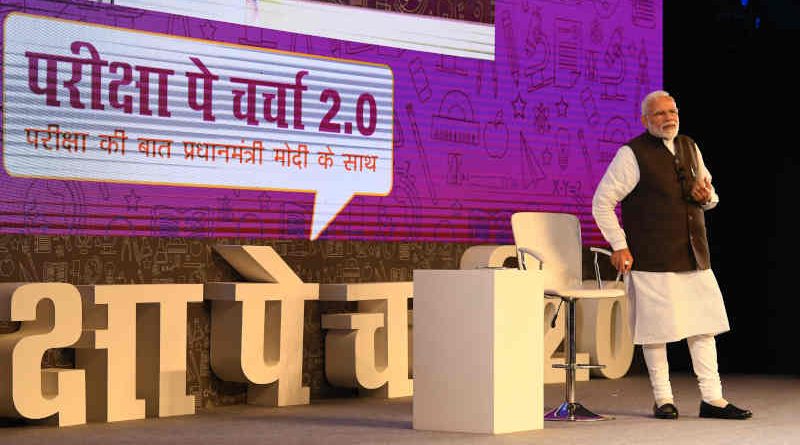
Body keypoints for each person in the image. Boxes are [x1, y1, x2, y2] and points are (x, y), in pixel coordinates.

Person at [592, 90, 752, 420]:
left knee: (703, 327)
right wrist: (619, 244)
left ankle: (713, 399)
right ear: (645, 120)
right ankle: (663, 399)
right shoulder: (631, 154)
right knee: (656, 332)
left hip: (694, 254)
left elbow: (711, 197)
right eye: (660, 114)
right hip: (652, 257)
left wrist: (706, 197)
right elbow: (602, 202)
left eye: (672, 111)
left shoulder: (690, 146)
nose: (669, 118)